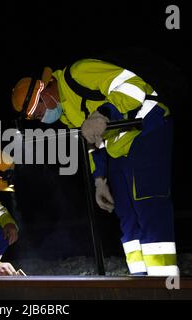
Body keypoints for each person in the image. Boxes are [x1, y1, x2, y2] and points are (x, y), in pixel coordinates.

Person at [11, 58, 179, 276]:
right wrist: (99, 180)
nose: (42, 119)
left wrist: (104, 114)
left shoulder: (80, 73)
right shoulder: (67, 113)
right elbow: (92, 142)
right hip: (118, 147)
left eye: (39, 111)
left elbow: (134, 85)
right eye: (36, 118)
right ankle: (140, 279)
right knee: (126, 214)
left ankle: (163, 280)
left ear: (46, 91)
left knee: (148, 205)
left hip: (146, 129)